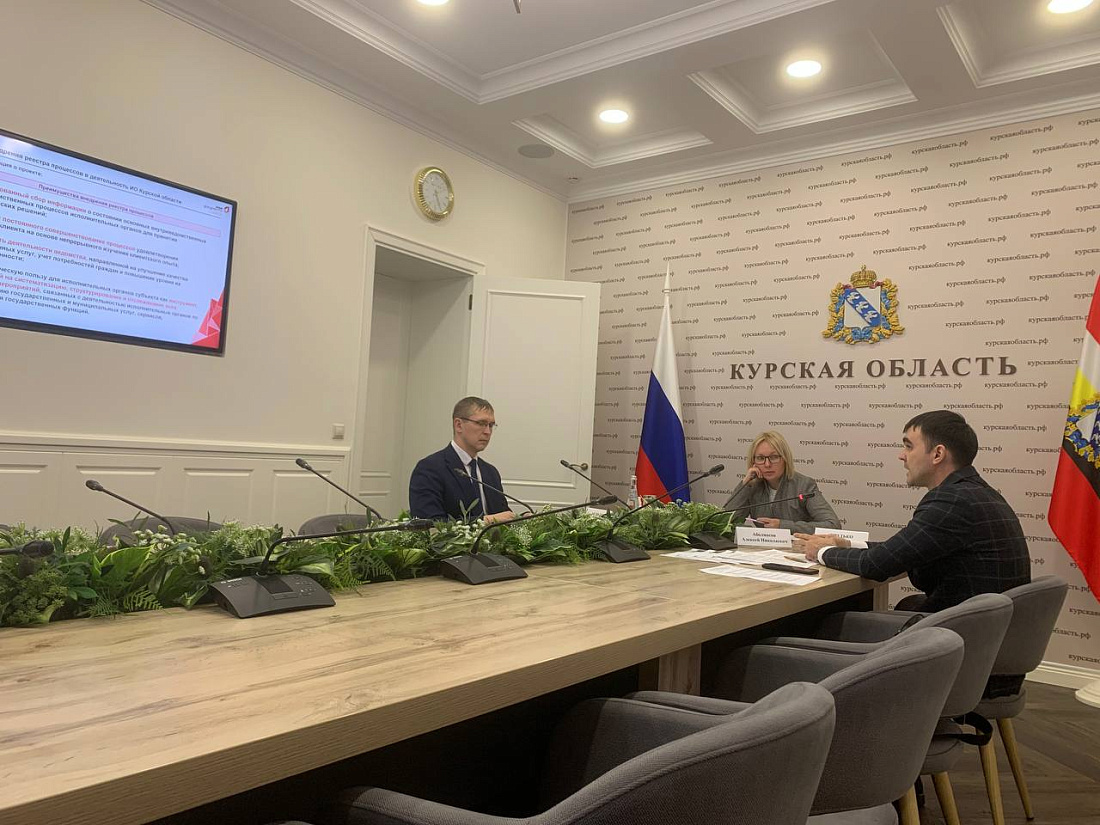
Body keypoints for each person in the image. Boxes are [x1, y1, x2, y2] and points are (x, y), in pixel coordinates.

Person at [796, 410, 1031, 612]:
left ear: (938, 454)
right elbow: (901, 550)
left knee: (827, 622)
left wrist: (821, 551)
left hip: (958, 634)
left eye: (909, 446)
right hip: (985, 629)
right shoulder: (975, 492)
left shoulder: (951, 501)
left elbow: (876, 565)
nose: (902, 455)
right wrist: (846, 544)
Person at [408, 397, 516, 523]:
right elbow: (429, 524)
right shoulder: (430, 469)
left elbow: (502, 515)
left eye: (491, 425)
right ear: (458, 425)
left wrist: (522, 518)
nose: (487, 432)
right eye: (481, 423)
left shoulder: (490, 472)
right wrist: (485, 521)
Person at [723, 431, 842, 533]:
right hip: (761, 549)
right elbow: (724, 523)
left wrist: (783, 525)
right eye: (760, 458)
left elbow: (833, 525)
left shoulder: (804, 485)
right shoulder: (753, 486)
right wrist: (746, 484)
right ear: (753, 461)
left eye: (774, 457)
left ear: (785, 458)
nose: (767, 464)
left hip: (798, 548)